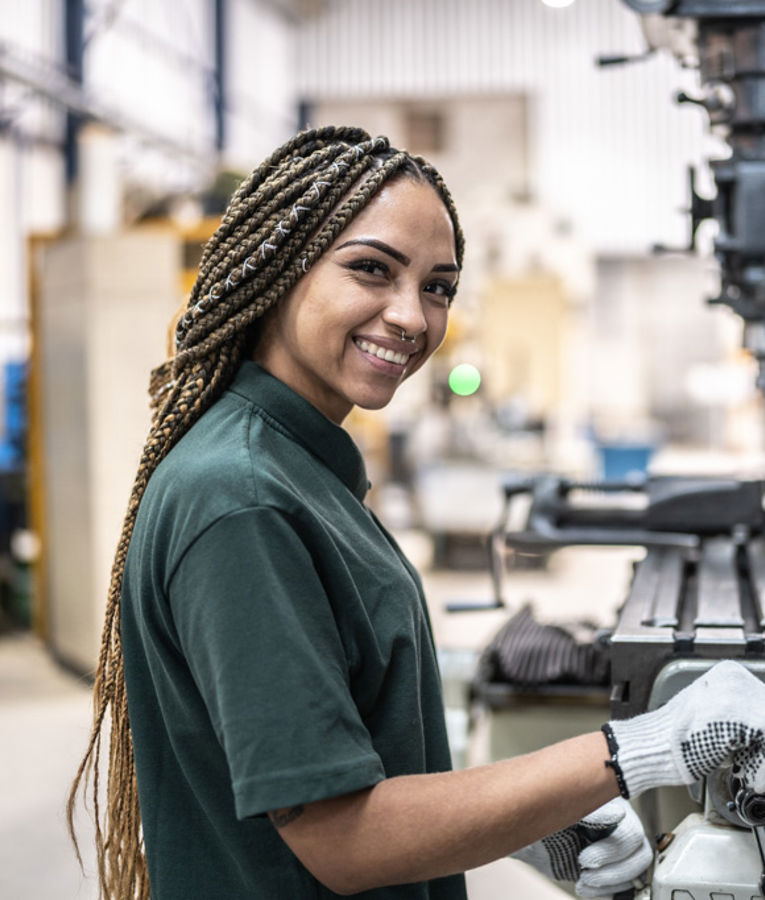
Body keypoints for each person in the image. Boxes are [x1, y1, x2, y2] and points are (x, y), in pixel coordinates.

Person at [68, 125, 765, 900]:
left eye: (437, 286)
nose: (411, 317)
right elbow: (342, 840)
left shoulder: (296, 467)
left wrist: (523, 814)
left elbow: (328, 752)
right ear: (279, 265)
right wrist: (635, 750)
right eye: (371, 270)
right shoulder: (241, 498)